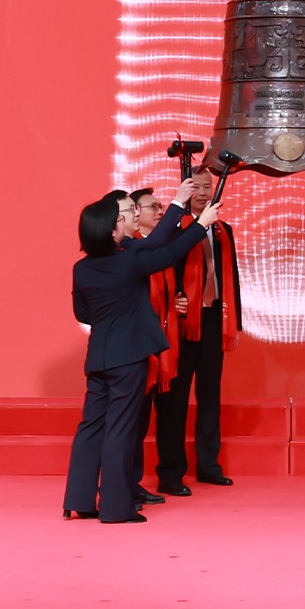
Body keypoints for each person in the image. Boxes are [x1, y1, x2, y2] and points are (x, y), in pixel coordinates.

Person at [63, 183, 215, 524]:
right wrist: (200, 224)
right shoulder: (129, 260)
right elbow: (168, 252)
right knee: (120, 430)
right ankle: (116, 507)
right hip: (128, 357)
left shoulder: (82, 268)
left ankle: (78, 500)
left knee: (91, 428)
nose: (130, 219)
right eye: (125, 216)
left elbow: (83, 313)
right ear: (111, 229)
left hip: (98, 357)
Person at [153, 166, 241, 496]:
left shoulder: (223, 229)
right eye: (198, 187)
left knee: (209, 396)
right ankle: (170, 473)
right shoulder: (173, 229)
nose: (204, 193)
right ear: (186, 190)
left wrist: (235, 321)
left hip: (214, 319)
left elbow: (231, 278)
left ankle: (209, 466)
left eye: (208, 187)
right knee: (174, 401)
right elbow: (161, 268)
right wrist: (173, 300)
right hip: (180, 323)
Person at [127, 188, 171, 509]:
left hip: (154, 345)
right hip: (134, 349)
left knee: (141, 421)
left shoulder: (151, 248)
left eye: (160, 206)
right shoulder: (132, 249)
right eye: (152, 206)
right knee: (129, 422)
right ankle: (121, 485)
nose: (158, 211)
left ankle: (133, 482)